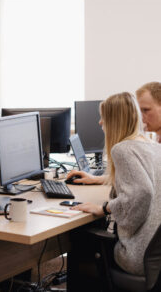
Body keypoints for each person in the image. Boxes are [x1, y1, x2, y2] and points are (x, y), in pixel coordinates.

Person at [71, 92, 161, 275]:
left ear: (114, 120)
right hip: (155, 255)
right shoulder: (152, 145)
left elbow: (142, 192)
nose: (100, 122)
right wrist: (98, 179)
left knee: (78, 238)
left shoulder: (122, 149)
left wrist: (104, 208)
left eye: (103, 117)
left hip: (138, 255)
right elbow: (146, 179)